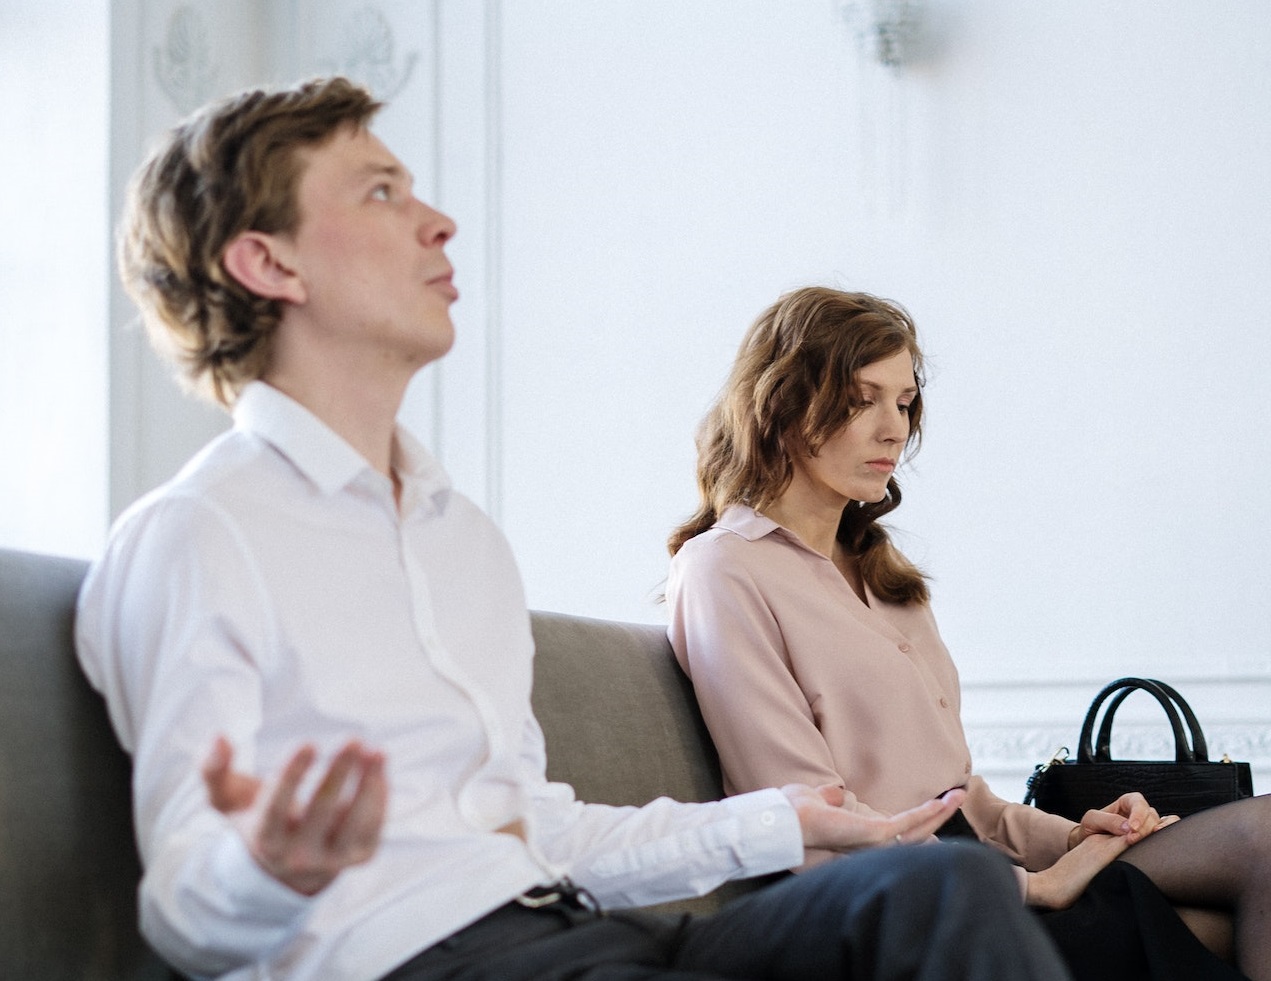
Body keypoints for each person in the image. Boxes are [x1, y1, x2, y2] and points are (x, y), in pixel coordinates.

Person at [74, 78, 1075, 981]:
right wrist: (269, 867)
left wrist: (779, 823)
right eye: (380, 193)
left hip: (574, 928)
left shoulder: (459, 538)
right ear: (266, 261)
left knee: (946, 890)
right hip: (416, 959)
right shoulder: (197, 533)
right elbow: (186, 910)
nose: (439, 222)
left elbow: (539, 827)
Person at [666, 286, 1271, 980]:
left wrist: (1077, 833)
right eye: (863, 397)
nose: (893, 428)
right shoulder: (723, 568)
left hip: (982, 866)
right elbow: (807, 823)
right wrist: (1034, 884)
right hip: (896, 901)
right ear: (780, 402)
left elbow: (964, 802)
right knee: (1235, 894)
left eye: (902, 401)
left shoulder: (884, 576)